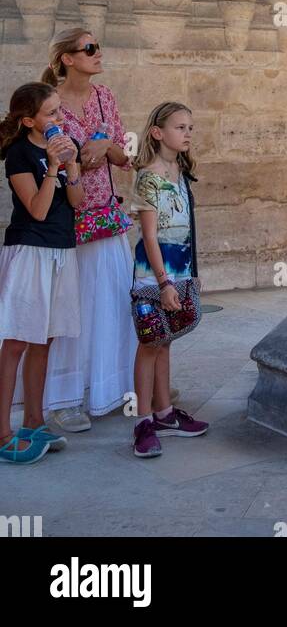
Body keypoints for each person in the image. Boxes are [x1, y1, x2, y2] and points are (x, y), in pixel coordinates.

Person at [20, 28, 138, 433]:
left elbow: (123, 156)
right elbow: (64, 158)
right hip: (67, 217)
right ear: (68, 58)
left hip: (107, 214)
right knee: (73, 312)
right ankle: (65, 397)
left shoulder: (106, 98)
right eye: (89, 48)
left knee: (111, 304)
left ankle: (116, 383)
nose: (98, 53)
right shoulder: (51, 104)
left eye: (98, 46)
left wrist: (105, 148)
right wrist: (87, 155)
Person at [0, 82, 83, 463]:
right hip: (30, 251)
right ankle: (3, 433)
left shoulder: (68, 147)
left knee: (44, 340)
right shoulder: (18, 154)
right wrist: (52, 166)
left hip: (61, 250)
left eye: (60, 111)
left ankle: (34, 420)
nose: (59, 119)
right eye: (51, 114)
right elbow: (36, 208)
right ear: (30, 120)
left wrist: (72, 166)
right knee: (16, 340)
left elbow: (76, 202)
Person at [128, 101, 208, 458]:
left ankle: (164, 413)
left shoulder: (181, 172)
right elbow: (148, 237)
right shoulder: (149, 177)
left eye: (190, 127)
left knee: (166, 341)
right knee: (149, 344)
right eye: (180, 127)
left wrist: (192, 275)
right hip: (153, 277)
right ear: (158, 133)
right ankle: (142, 421)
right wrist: (163, 283)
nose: (187, 133)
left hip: (180, 271)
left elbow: (188, 227)